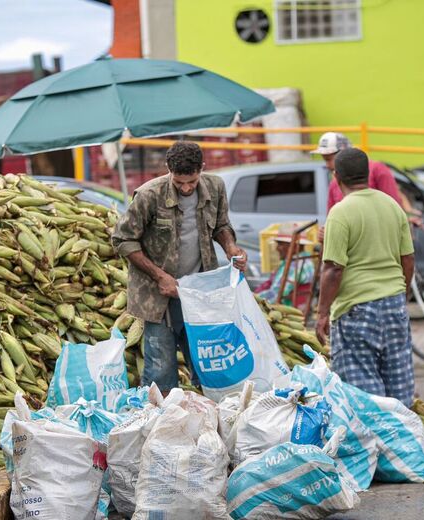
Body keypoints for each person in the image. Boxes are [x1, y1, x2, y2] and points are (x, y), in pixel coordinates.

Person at [111, 141, 247, 393]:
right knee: (161, 370)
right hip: (158, 296)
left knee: (207, 363)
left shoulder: (215, 186)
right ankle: (160, 413)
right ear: (168, 169)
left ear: (201, 168)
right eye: (179, 182)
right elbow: (122, 239)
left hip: (199, 293)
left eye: (192, 182)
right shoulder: (150, 195)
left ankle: (209, 409)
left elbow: (221, 225)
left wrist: (230, 247)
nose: (186, 188)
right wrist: (160, 276)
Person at [315, 148, 416, 406]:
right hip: (394, 305)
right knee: (399, 387)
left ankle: (376, 433)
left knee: (365, 397)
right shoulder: (392, 206)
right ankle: (401, 430)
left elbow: (333, 269)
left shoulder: (340, 212)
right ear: (367, 173)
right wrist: (401, 294)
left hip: (356, 309)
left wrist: (322, 312)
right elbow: (408, 259)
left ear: (337, 176)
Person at [312, 132, 423, 240]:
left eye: (329, 159)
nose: (327, 165)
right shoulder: (334, 183)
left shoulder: (377, 170)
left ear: (344, 154)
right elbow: (332, 219)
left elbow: (394, 206)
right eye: (325, 160)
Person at [255, 226, 316, 306]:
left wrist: (252, 299)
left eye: (280, 244)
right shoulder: (305, 260)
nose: (277, 248)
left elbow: (276, 294)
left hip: (286, 307)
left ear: (294, 246)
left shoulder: (295, 266)